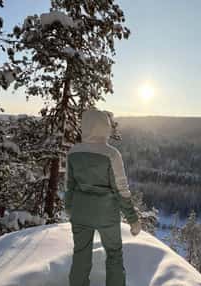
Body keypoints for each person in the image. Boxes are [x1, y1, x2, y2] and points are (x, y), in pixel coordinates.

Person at [64, 109, 142, 286]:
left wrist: (69, 208)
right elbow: (121, 189)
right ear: (105, 127)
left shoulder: (74, 152)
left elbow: (69, 185)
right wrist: (133, 219)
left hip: (80, 212)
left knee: (80, 255)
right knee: (114, 254)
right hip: (106, 214)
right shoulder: (112, 154)